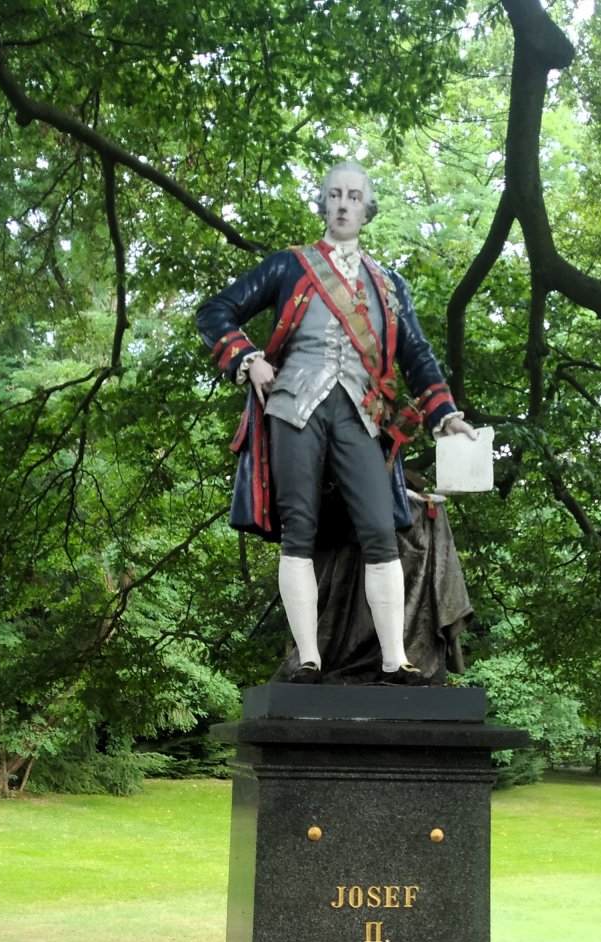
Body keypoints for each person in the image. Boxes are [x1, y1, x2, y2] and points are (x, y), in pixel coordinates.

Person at [197, 162, 479, 683]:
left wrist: (446, 414)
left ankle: (394, 659)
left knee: (380, 530)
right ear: (324, 204)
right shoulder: (289, 265)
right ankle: (308, 658)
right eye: (334, 195)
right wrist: (248, 359)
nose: (343, 204)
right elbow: (215, 312)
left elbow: (416, 353)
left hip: (360, 416)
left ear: (367, 209)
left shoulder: (389, 284)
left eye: (353, 196)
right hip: (292, 409)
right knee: (298, 531)